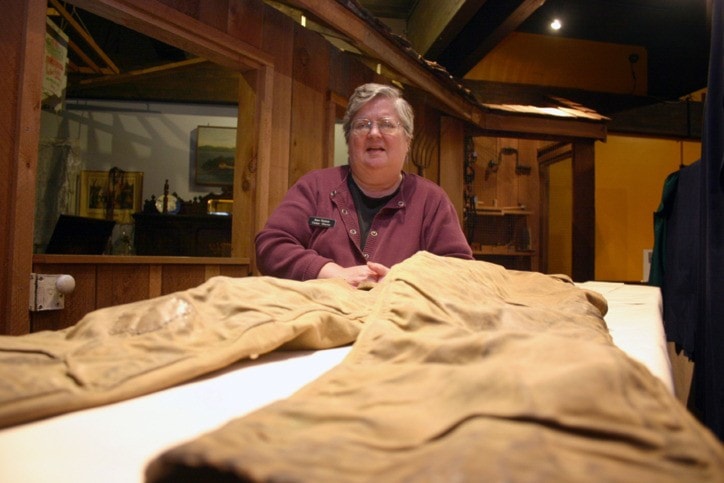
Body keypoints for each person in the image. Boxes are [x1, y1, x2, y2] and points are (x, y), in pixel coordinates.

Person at [255, 83, 473, 287]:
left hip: (397, 322)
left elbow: (460, 270)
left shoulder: (431, 200)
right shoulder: (315, 187)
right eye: (362, 125)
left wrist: (403, 283)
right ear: (350, 140)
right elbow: (271, 246)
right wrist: (331, 273)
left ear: (407, 141)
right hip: (320, 318)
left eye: (387, 124)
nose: (374, 133)